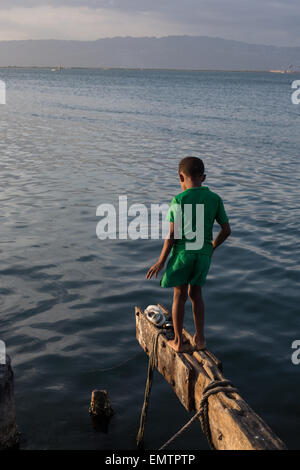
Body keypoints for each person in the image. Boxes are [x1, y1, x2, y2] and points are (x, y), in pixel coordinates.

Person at [146, 157, 231, 353]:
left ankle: (178, 342)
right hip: (202, 256)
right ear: (204, 177)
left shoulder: (179, 200)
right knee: (196, 295)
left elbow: (172, 237)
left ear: (180, 177)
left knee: (179, 295)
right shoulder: (215, 199)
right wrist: (212, 247)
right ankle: (200, 340)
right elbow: (226, 230)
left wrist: (160, 261)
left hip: (183, 255)